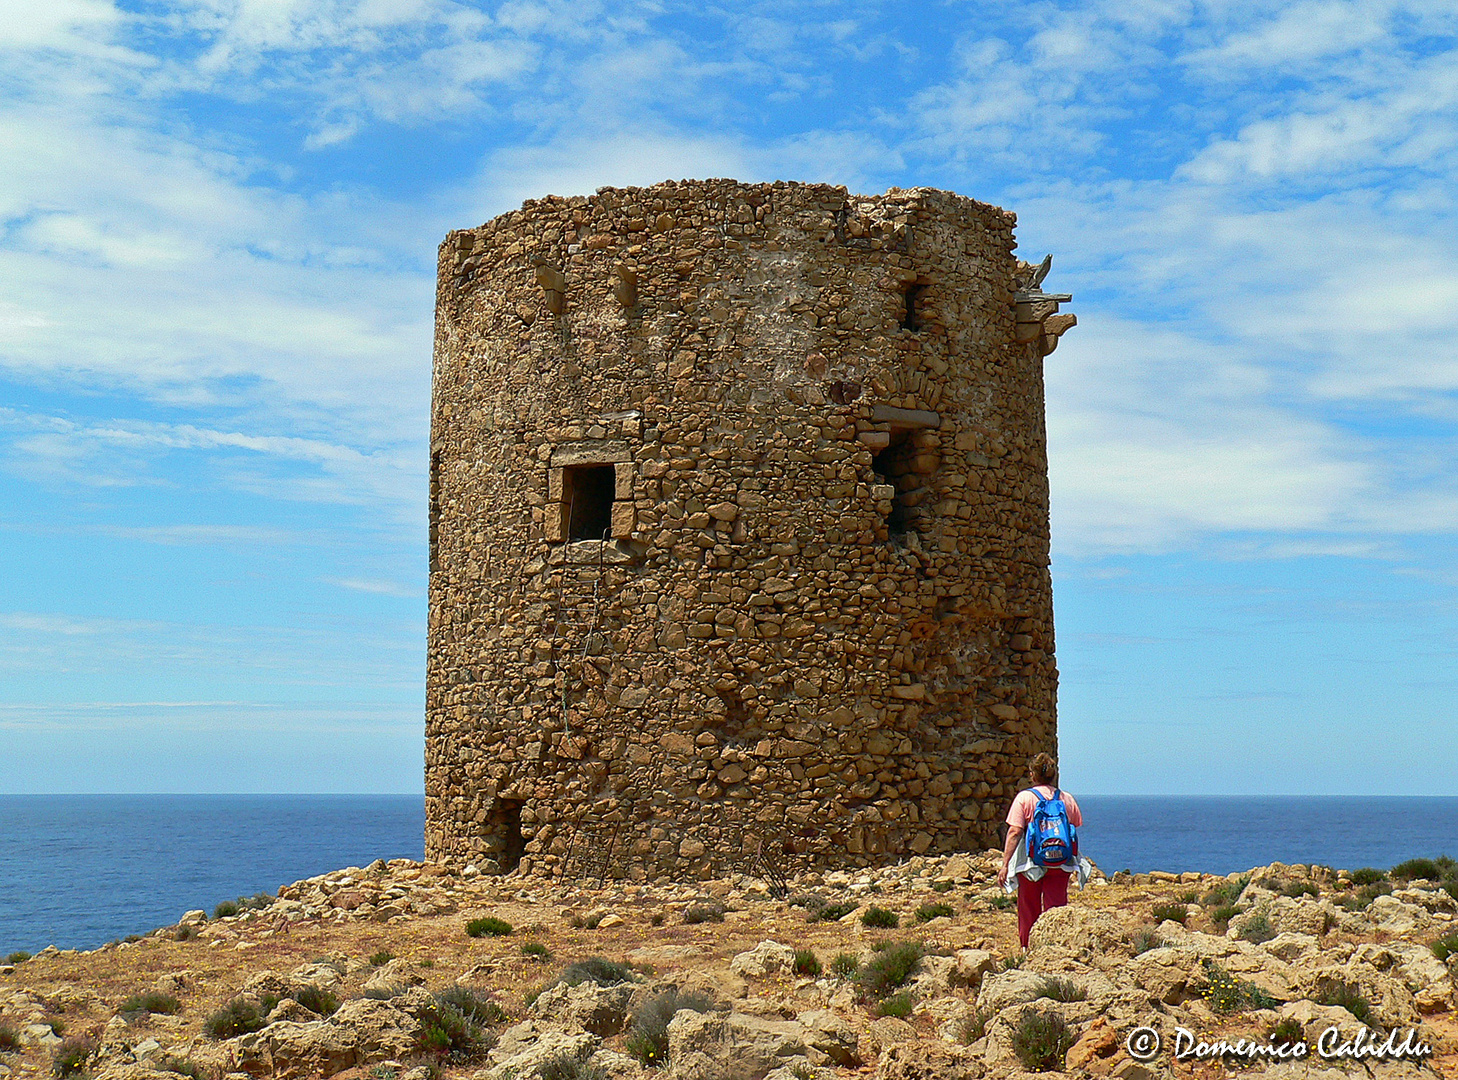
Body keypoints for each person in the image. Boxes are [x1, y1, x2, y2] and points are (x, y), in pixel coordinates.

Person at [997, 752, 1085, 948]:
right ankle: (1055, 947)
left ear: (1032, 774)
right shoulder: (1066, 798)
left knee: (1029, 907)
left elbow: (1014, 831)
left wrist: (1005, 864)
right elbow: (1076, 824)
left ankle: (1028, 948)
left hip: (1030, 863)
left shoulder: (1024, 798)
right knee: (1056, 908)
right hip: (1060, 861)